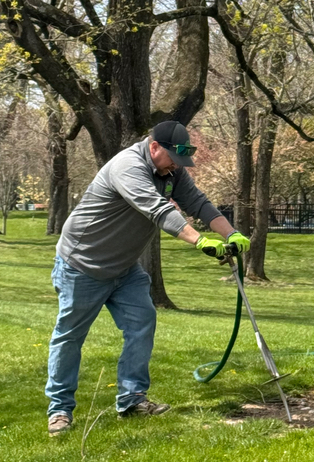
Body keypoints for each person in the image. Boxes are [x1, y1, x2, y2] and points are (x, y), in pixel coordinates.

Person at [46, 120, 250, 435]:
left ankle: (132, 400)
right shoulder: (128, 167)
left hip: (125, 268)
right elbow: (159, 211)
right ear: (154, 147)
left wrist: (231, 233)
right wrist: (199, 241)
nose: (176, 167)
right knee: (70, 336)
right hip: (83, 265)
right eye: (173, 158)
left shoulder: (170, 171)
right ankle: (60, 410)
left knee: (142, 323)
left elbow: (198, 204)